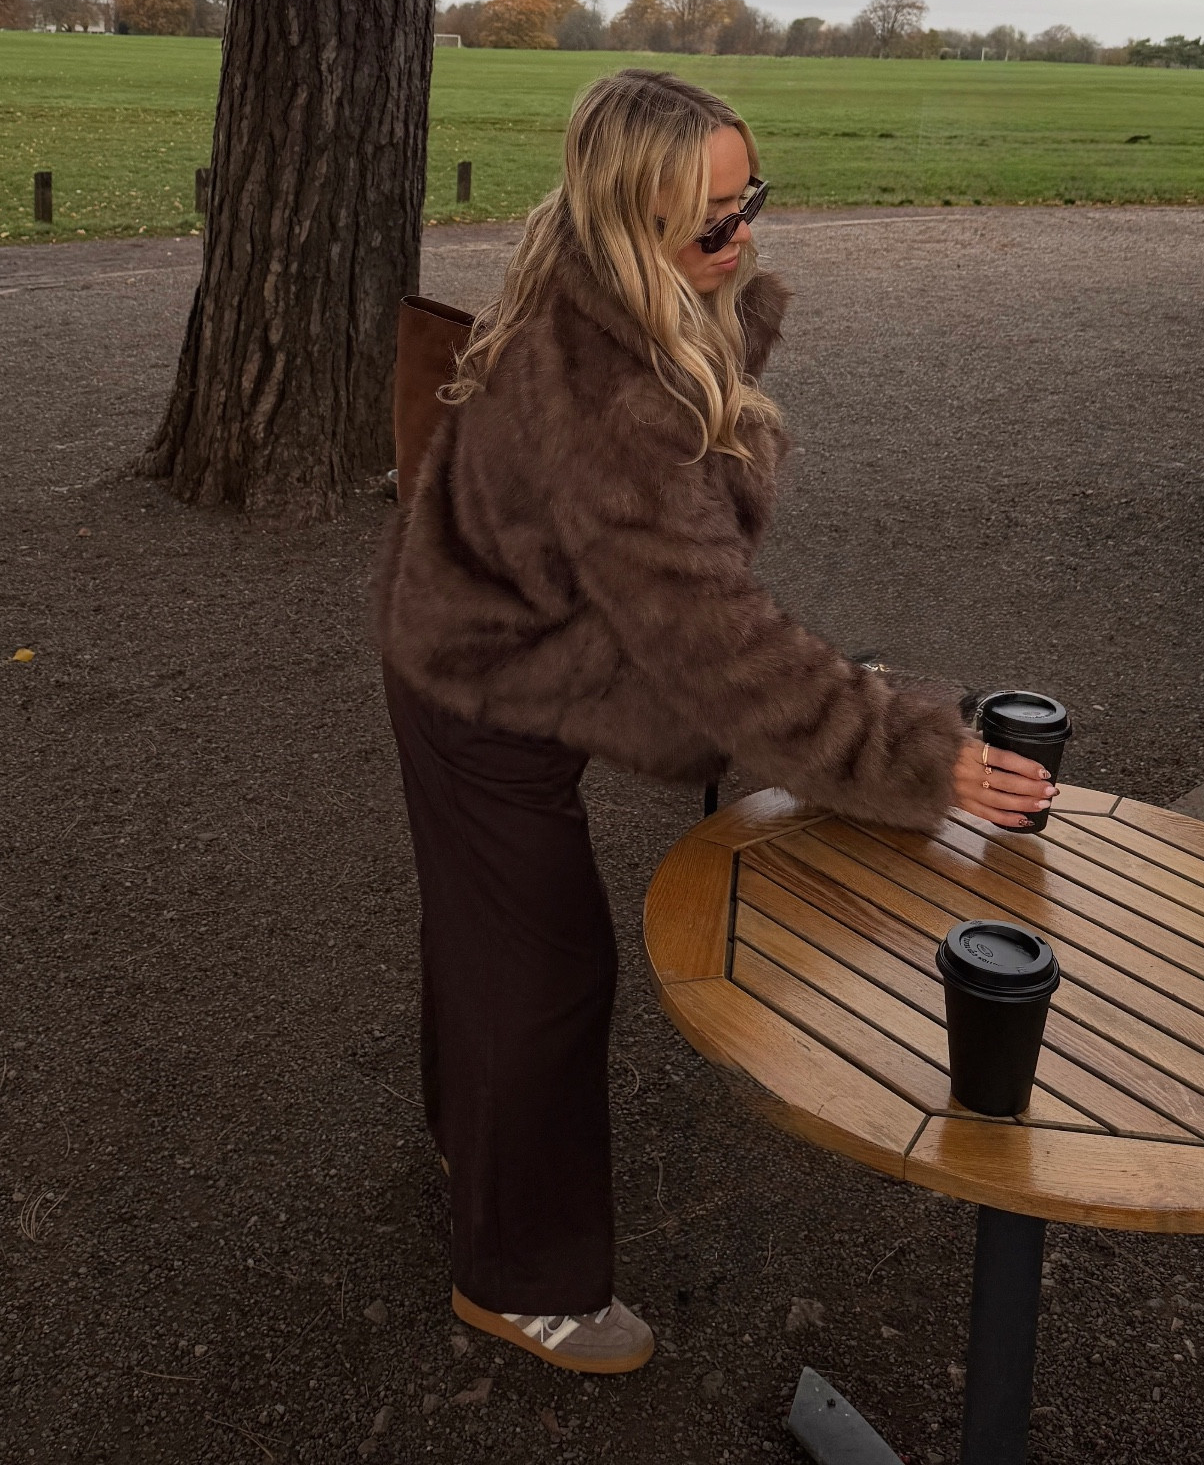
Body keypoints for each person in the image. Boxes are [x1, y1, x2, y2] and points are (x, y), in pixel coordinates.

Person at [373, 68, 1055, 1374]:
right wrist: (912, 753)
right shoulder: (613, 412)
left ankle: (472, 1135)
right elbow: (719, 644)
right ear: (626, 223)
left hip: (478, 617)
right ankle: (519, 1278)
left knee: (482, 931)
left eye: (752, 205)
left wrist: (717, 305)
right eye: (710, 227)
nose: (743, 240)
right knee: (545, 975)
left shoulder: (594, 267)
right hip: (474, 682)